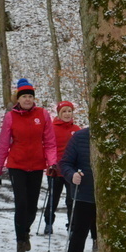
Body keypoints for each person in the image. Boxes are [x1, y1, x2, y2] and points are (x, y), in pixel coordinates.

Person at [0, 78, 57, 252]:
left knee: (32, 206)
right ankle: (20, 242)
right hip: (17, 165)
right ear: (18, 99)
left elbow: (50, 142)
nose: (27, 99)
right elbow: (3, 144)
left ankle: (25, 231)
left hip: (36, 165)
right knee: (21, 204)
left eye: (30, 96)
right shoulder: (10, 117)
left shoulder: (42, 115)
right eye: (24, 97)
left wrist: (52, 163)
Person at [59, 127, 95, 252]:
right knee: (80, 231)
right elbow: (65, 163)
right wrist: (72, 175)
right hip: (84, 193)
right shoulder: (80, 137)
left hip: (110, 193)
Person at [43, 101, 81, 236]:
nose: (67, 114)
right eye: (64, 111)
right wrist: (50, 164)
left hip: (71, 171)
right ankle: (48, 222)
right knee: (53, 198)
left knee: (71, 199)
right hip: (55, 169)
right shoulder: (51, 128)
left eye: (69, 111)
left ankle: (71, 226)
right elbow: (47, 147)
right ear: (59, 113)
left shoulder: (76, 129)